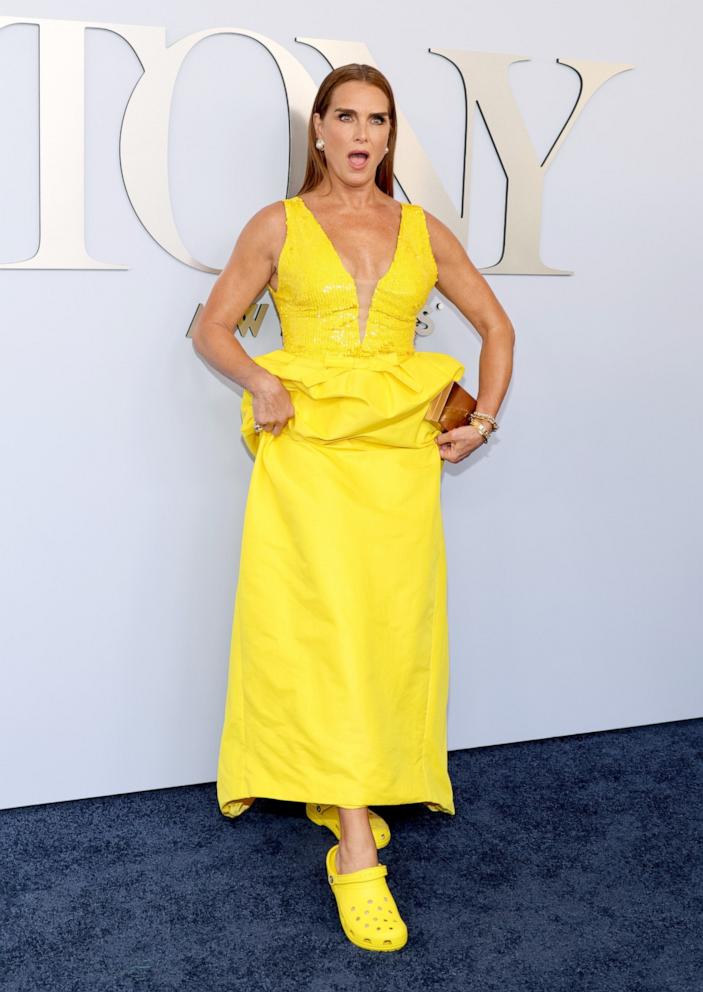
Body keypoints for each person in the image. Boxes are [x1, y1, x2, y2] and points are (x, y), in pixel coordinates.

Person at [193, 63, 514, 952]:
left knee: (383, 633)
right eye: (346, 117)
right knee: (322, 631)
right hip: (308, 461)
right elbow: (210, 328)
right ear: (320, 132)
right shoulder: (278, 224)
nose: (361, 134)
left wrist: (481, 419)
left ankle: (345, 786)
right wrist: (259, 380)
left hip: (398, 466)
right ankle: (356, 849)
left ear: (388, 134)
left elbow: (496, 326)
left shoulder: (421, 229)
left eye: (377, 119)